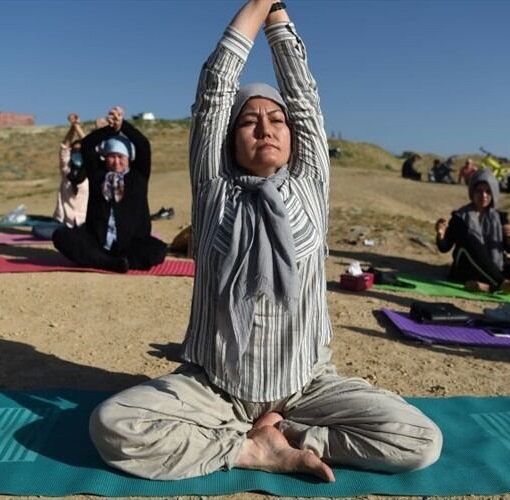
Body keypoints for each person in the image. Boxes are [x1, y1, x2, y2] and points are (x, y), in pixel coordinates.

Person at [89, 0, 442, 482]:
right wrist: (258, 4)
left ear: (294, 135)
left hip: (305, 388)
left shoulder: (310, 185)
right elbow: (215, 90)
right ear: (229, 139)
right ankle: (251, 450)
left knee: (420, 441)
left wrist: (278, 15)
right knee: (113, 426)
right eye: (248, 121)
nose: (265, 129)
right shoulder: (214, 190)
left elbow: (304, 97)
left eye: (277, 120)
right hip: (217, 388)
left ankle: (292, 434)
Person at [51, 106, 166, 272]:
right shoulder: (98, 173)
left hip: (130, 243)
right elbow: (87, 144)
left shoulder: (138, 175)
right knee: (61, 236)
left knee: (157, 250)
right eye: (112, 156)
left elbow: (143, 145)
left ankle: (109, 261)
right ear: (105, 157)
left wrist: (122, 126)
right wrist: (110, 130)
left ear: (129, 158)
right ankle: (109, 263)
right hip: (97, 243)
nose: (116, 161)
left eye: (120, 156)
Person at [435, 169, 510, 294]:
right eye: (479, 191)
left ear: (494, 194)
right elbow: (444, 247)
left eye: (488, 191)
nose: (484, 195)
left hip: (496, 268)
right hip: (468, 270)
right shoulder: (460, 217)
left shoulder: (500, 217)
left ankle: (489, 287)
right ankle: (502, 284)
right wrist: (440, 234)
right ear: (472, 192)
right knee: (470, 238)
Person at [52, 115, 89, 229]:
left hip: (86, 222)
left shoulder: (91, 172)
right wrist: (73, 127)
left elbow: (91, 146)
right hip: (65, 222)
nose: (77, 153)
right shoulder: (66, 170)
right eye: (75, 151)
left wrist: (77, 127)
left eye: (80, 151)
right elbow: (65, 147)